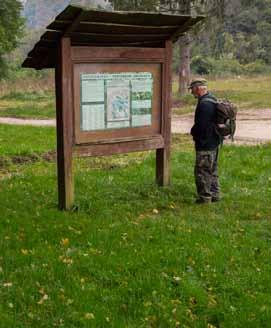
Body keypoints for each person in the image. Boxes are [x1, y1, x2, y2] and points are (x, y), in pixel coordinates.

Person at [189, 78, 221, 204]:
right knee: (212, 169)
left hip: (205, 143)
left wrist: (193, 133)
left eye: (192, 89)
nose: (192, 92)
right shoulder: (212, 99)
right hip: (214, 141)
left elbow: (201, 126)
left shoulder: (204, 104)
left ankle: (204, 198)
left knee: (202, 171)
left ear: (198, 89)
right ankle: (215, 194)